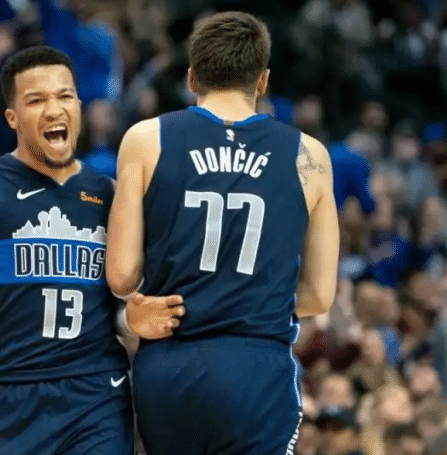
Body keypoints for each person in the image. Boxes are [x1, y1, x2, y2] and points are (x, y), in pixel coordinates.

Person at [0, 46, 183, 455]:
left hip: (96, 393)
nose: (54, 109)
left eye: (65, 96)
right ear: (12, 118)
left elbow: (123, 302)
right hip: (6, 394)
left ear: (79, 106)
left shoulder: (111, 196)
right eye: (37, 100)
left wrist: (133, 318)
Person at [106, 11, 340, 455]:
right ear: (263, 81)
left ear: (192, 77)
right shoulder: (310, 156)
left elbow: (121, 277)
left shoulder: (146, 138)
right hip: (256, 367)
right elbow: (319, 295)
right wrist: (248, 298)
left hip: (171, 362)